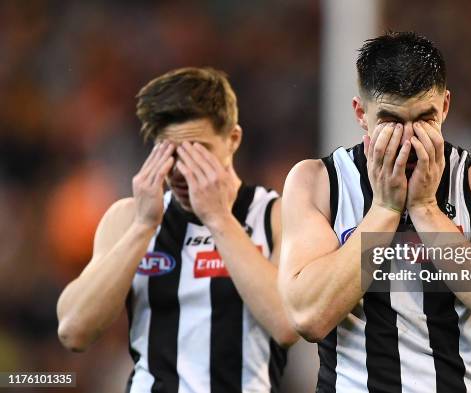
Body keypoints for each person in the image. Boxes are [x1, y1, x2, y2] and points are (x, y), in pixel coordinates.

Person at [279, 31, 471, 392]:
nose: (409, 139)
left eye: (425, 119)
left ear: (445, 107)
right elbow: (308, 316)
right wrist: (385, 209)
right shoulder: (317, 182)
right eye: (391, 121)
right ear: (360, 114)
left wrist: (426, 209)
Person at [56, 67, 298, 393]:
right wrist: (143, 227)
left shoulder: (274, 215)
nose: (183, 171)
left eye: (197, 151)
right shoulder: (128, 218)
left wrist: (218, 218)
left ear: (233, 140)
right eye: (171, 153)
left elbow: (288, 324)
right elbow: (73, 331)